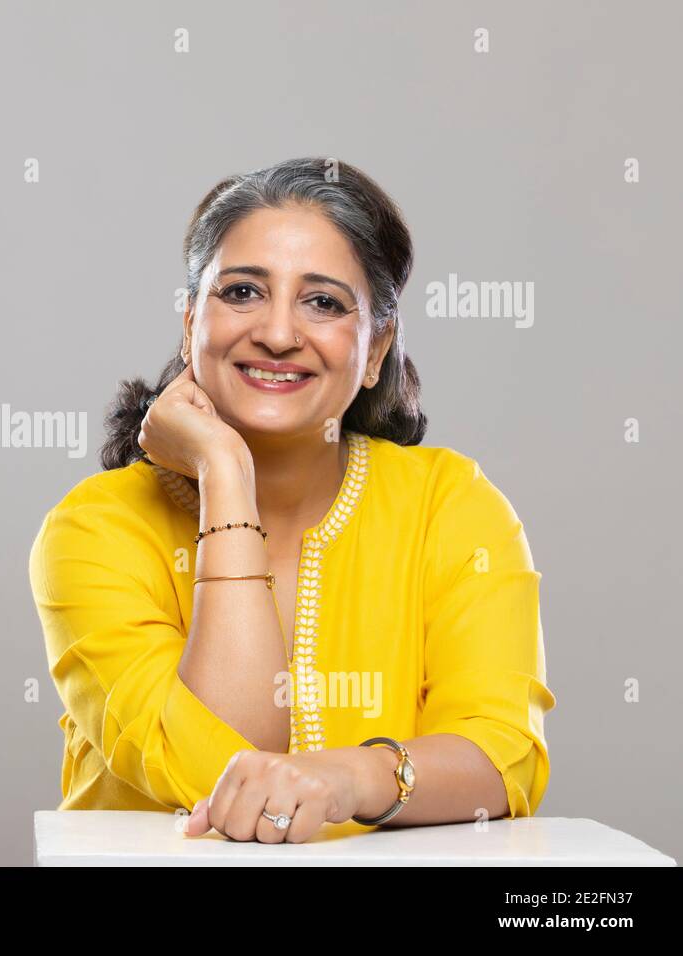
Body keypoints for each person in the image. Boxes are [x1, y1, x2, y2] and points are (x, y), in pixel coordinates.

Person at [28, 157, 555, 843]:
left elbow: (502, 758)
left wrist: (346, 779)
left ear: (376, 350)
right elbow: (220, 768)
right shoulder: (95, 530)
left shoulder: (453, 507)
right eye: (242, 292)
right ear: (191, 322)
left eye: (324, 302)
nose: (278, 333)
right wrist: (223, 470)